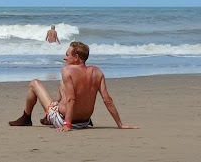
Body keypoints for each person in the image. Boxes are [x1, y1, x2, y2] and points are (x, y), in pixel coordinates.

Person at [8, 41, 138, 132]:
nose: (64, 58)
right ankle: (47, 118)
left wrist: (67, 124)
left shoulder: (68, 71)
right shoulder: (97, 72)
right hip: (85, 122)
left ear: (76, 57)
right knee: (62, 83)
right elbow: (107, 100)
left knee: (34, 83)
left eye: (67, 55)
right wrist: (120, 124)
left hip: (65, 120)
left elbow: (71, 99)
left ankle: (26, 118)